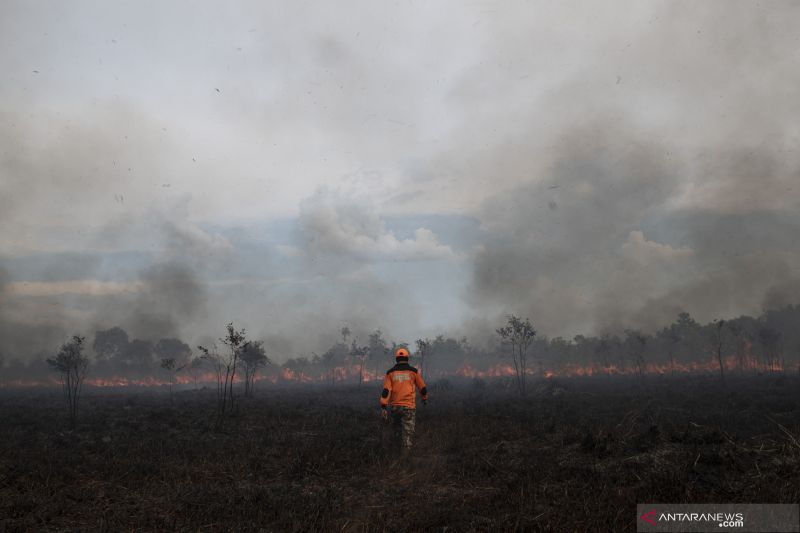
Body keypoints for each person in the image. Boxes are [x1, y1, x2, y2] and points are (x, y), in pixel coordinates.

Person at [380, 347, 428, 454]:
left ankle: (395, 455)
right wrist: (424, 399)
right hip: (409, 408)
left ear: (397, 359)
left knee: (396, 431)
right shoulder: (413, 372)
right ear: (407, 358)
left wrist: (383, 407)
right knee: (407, 434)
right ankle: (405, 460)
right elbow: (423, 388)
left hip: (395, 408)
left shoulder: (390, 373)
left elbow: (386, 391)